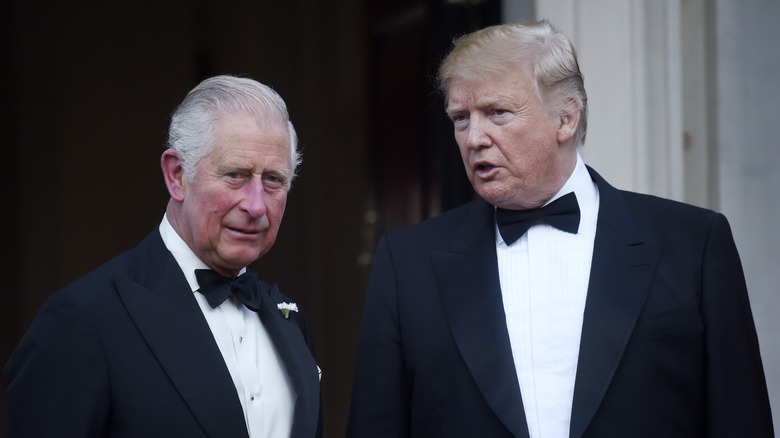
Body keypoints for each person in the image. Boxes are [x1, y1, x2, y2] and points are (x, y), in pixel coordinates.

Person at [347, 20, 774, 438]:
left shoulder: (694, 243)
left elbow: (740, 418)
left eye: (497, 112)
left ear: (566, 119)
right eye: (461, 118)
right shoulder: (407, 264)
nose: (474, 136)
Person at [4, 75, 322, 438]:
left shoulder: (290, 322)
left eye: (273, 180)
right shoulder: (82, 320)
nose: (256, 205)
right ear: (176, 175)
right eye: (235, 175)